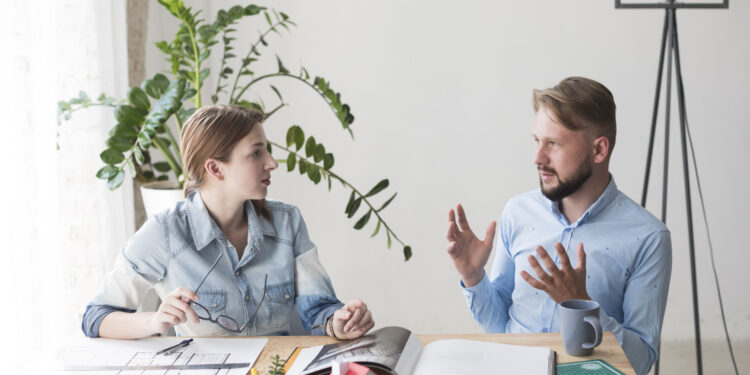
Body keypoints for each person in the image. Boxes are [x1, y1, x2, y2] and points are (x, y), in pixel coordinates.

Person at [82, 105, 374, 340]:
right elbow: (95, 317)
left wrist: (341, 322)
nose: (272, 163)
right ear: (215, 168)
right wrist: (154, 321)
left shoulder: (288, 222)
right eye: (256, 153)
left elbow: (319, 310)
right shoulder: (165, 232)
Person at [445, 77, 671, 375]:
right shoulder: (518, 212)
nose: (537, 158)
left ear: (599, 150)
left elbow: (641, 362)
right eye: (537, 141)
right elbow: (499, 325)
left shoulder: (648, 238)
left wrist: (582, 306)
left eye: (553, 144)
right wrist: (473, 277)